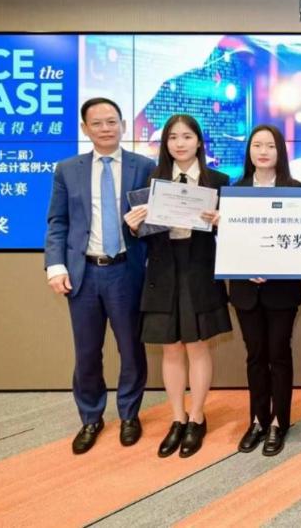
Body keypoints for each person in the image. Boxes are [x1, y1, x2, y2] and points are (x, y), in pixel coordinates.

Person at [45, 97, 155, 454]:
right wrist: (55, 265)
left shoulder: (145, 166)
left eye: (111, 121)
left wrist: (140, 227)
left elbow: (155, 222)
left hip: (126, 270)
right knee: (87, 352)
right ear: (85, 128)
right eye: (97, 123)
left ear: (123, 125)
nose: (106, 128)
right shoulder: (67, 169)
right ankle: (91, 417)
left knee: (131, 349)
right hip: (84, 273)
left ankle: (129, 414)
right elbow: (58, 222)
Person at [123, 114, 232, 458]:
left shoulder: (219, 181)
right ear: (165, 143)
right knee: (170, 347)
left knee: (197, 345)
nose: (180, 143)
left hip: (199, 269)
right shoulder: (152, 181)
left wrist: (224, 222)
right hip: (163, 270)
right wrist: (134, 226)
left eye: (187, 136)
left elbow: (236, 236)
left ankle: (197, 417)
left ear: (199, 141)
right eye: (173, 137)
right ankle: (177, 417)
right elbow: (141, 233)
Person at [229, 124, 301, 457]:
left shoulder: (296, 190)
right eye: (257, 145)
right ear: (249, 151)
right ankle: (258, 420)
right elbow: (229, 243)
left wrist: (274, 268)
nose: (263, 151)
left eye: (270, 146)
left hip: (282, 290)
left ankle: (279, 422)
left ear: (280, 152)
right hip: (245, 289)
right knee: (255, 355)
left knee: (279, 354)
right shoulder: (235, 191)